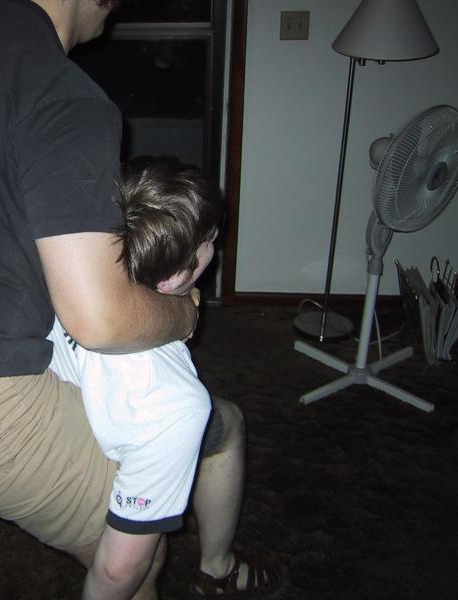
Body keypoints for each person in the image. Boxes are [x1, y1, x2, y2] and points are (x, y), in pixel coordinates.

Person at [0, 0, 273, 598]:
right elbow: (100, 322)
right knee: (137, 563)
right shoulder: (60, 91)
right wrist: (186, 314)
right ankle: (216, 568)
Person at [47, 156, 277, 599]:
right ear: (172, 279)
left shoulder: (64, 275)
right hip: (99, 454)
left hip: (61, 410)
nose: (215, 248)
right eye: (209, 242)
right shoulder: (175, 403)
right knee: (226, 423)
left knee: (225, 418)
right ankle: (217, 569)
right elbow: (115, 573)